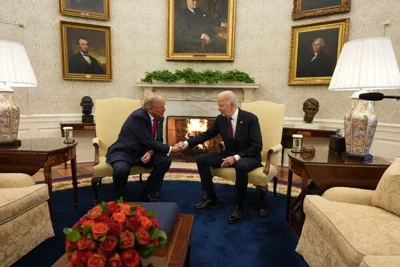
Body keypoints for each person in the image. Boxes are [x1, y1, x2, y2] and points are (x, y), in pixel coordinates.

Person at [179, 91, 263, 224]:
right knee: (202, 159)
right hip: (229, 154)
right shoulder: (221, 119)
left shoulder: (250, 118)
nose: (218, 108)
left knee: (241, 166)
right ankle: (211, 198)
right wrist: (186, 143)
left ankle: (239, 206)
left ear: (232, 104)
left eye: (221, 105)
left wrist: (235, 158)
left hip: (249, 156)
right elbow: (206, 135)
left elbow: (257, 146)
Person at [106, 94, 183, 201]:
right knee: (121, 170)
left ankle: (149, 192)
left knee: (164, 161)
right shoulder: (138, 117)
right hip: (126, 151)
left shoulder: (159, 117)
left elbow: (158, 139)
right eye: (161, 107)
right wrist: (172, 149)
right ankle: (120, 198)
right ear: (150, 109)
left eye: (164, 106)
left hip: (144, 151)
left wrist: (150, 151)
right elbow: (147, 140)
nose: (164, 110)